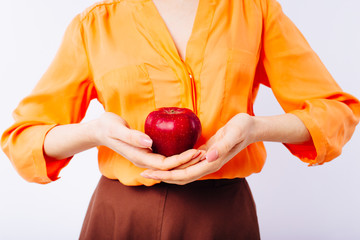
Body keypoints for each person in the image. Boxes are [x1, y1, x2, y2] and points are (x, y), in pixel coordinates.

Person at [2, 0, 360, 239]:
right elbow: (24, 137)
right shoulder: (95, 24)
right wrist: (95, 133)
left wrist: (255, 129)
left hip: (222, 214)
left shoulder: (256, 13)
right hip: (122, 215)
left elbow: (335, 112)